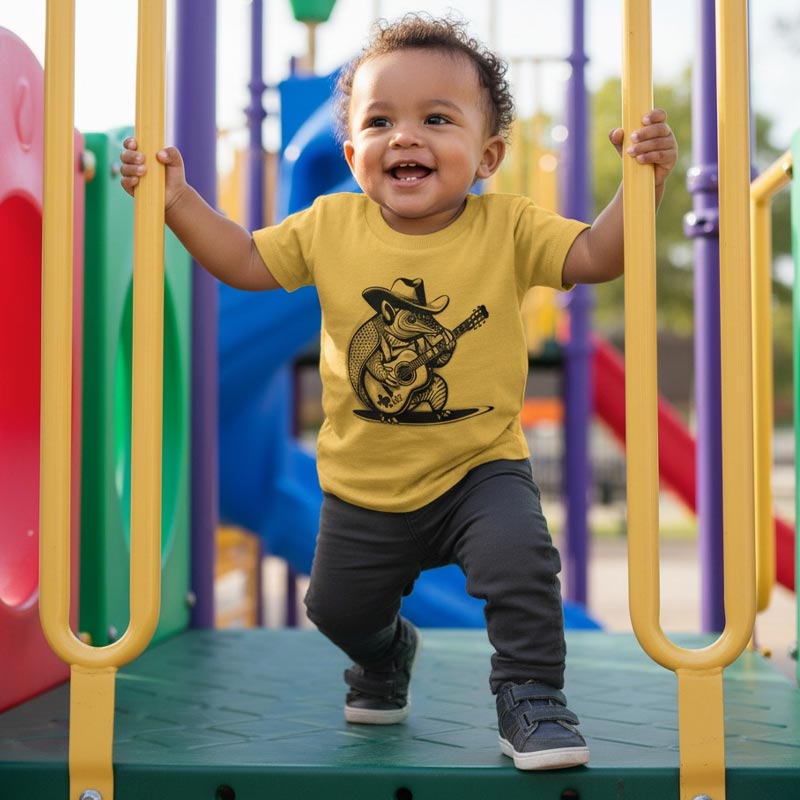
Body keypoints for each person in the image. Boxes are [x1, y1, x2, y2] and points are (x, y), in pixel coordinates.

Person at [120, 13, 677, 771]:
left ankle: (532, 698)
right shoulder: (329, 225)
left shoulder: (507, 226)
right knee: (335, 610)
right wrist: (179, 202)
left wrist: (640, 190)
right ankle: (385, 654)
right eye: (380, 121)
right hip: (363, 485)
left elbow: (595, 255)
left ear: (488, 155)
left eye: (436, 119)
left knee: (523, 565)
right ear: (351, 152)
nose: (405, 136)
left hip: (478, 468)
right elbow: (246, 260)